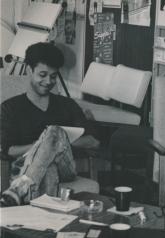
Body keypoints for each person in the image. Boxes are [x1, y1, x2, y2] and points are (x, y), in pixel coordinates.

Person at [0, 42, 100, 206]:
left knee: (54, 131)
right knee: (48, 170)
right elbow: (8, 150)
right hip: (26, 167)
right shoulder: (10, 108)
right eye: (43, 74)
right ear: (29, 70)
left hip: (65, 169)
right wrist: (42, 147)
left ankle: (18, 191)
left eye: (53, 76)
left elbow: (94, 142)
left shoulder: (67, 105)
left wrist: (55, 140)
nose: (48, 81)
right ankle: (45, 226)